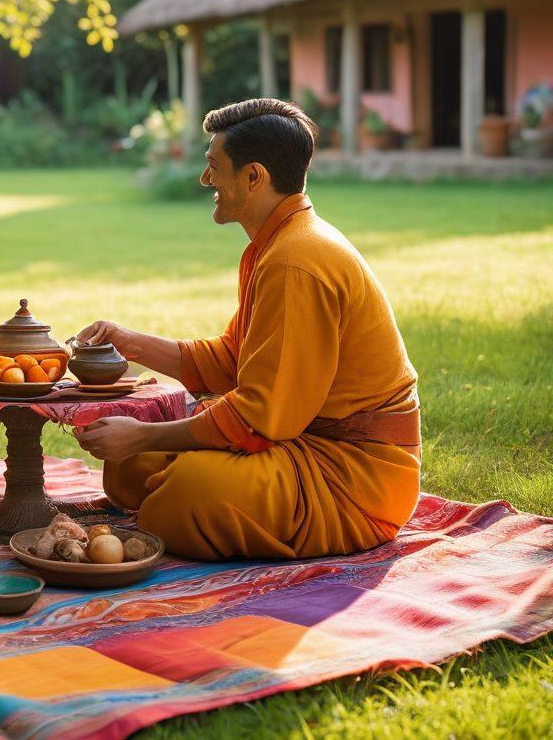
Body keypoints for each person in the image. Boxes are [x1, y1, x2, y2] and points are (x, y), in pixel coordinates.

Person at [73, 98, 421, 561]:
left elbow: (261, 416)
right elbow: (232, 360)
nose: (205, 180)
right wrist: (128, 341)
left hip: (351, 478)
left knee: (184, 491)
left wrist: (145, 435)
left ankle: (179, 499)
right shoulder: (279, 244)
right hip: (297, 443)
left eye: (214, 166)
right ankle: (175, 493)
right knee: (129, 469)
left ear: (254, 176)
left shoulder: (296, 260)